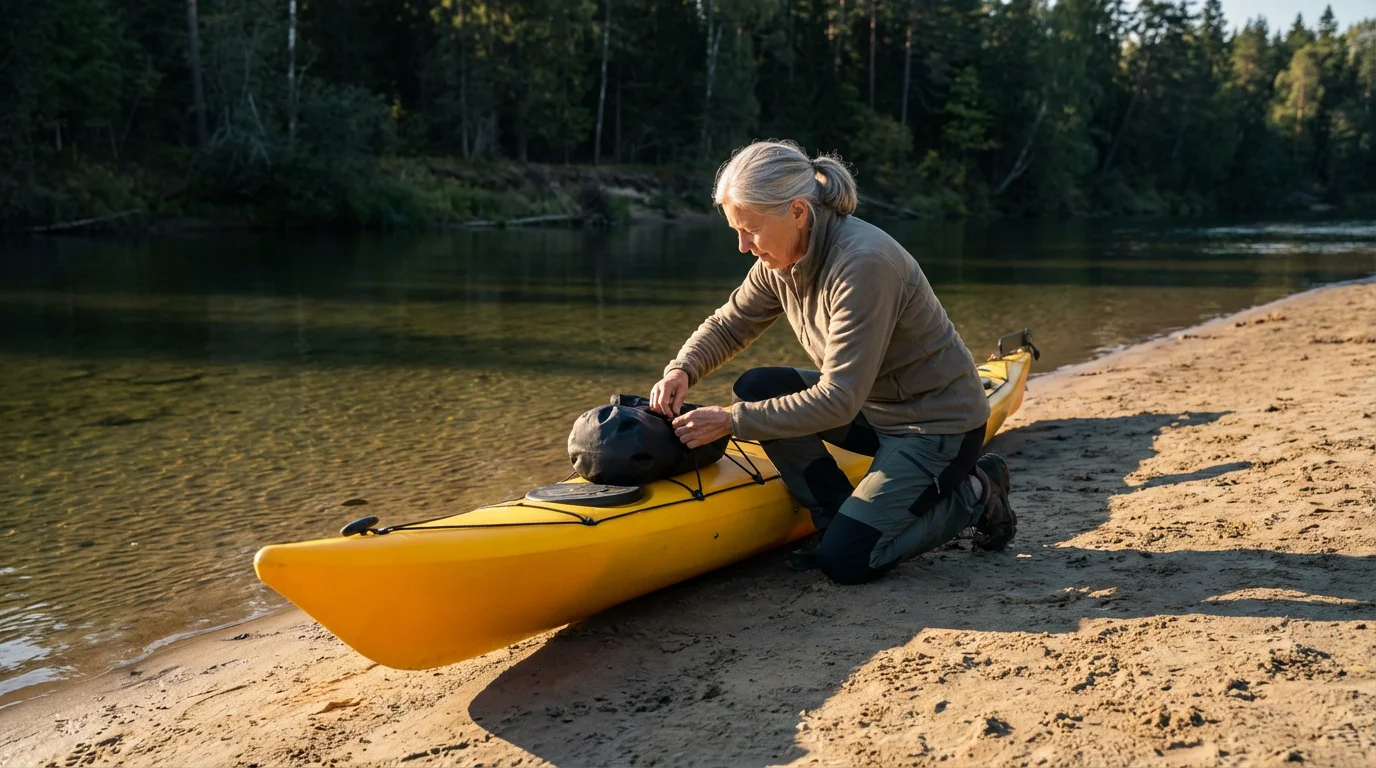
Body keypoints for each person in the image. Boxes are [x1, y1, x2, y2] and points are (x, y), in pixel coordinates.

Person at [648, 139, 1016, 585]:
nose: (743, 246)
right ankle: (835, 516)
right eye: (736, 231)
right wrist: (681, 369)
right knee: (758, 386)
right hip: (875, 410)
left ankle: (978, 491)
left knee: (848, 562)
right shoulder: (781, 257)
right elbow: (731, 323)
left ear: (798, 212)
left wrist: (730, 421)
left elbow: (838, 400)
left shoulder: (862, 264)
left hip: (937, 427)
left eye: (751, 230)